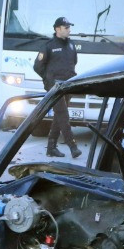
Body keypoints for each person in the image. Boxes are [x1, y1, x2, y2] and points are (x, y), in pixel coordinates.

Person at [34, 16, 81, 158]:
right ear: (57, 29)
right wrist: (49, 81)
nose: (69, 30)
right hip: (55, 87)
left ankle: (51, 148)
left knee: (59, 117)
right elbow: (37, 66)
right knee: (63, 115)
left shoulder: (71, 45)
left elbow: (74, 63)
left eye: (69, 27)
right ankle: (72, 146)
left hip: (68, 85)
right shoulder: (48, 46)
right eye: (66, 28)